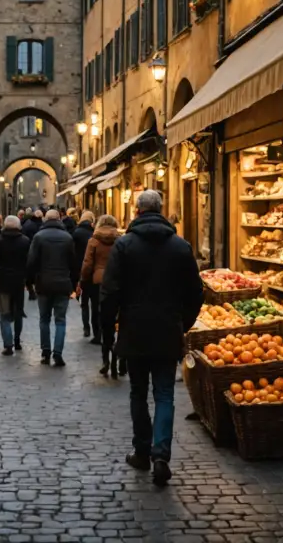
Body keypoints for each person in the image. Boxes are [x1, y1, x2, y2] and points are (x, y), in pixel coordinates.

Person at [101, 189, 203, 486]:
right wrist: (183, 323)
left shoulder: (124, 246)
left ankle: (142, 451)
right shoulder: (180, 246)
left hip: (133, 330)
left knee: (137, 392)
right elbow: (196, 293)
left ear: (137, 211)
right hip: (168, 330)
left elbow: (110, 292)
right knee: (164, 394)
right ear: (161, 210)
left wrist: (109, 327)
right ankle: (161, 455)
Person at [26, 209, 77, 367]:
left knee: (44, 319)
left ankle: (45, 351)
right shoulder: (67, 237)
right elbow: (74, 264)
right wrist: (73, 285)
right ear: (59, 219)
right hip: (63, 283)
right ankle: (58, 353)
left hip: (44, 283)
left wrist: (30, 282)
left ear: (45, 220)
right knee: (60, 320)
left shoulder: (39, 237)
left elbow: (31, 262)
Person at [81, 214, 121, 378]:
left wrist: (83, 280)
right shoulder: (120, 240)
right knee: (120, 319)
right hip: (117, 282)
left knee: (104, 319)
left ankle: (105, 359)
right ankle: (120, 358)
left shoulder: (94, 240)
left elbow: (88, 263)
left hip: (98, 281)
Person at [0, 215, 31, 355]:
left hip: (3, 280)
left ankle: (8, 345)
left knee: (5, 314)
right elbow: (28, 262)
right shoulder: (25, 241)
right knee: (18, 312)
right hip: (19, 281)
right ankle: (17, 340)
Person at [72, 211, 96, 338]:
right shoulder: (95, 234)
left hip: (81, 270)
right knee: (95, 302)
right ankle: (96, 327)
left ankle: (86, 327)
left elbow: (73, 253)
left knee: (84, 302)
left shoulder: (76, 233)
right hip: (95, 271)